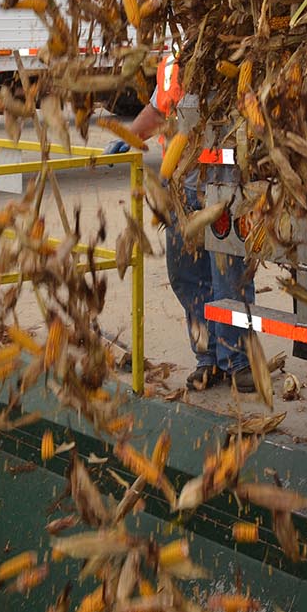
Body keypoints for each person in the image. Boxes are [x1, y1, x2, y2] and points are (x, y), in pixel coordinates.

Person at [125, 53, 255, 392]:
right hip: (181, 184)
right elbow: (157, 111)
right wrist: (128, 138)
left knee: (228, 275)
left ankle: (238, 361)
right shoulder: (172, 59)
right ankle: (207, 358)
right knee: (187, 274)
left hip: (224, 182)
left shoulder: (232, 46)